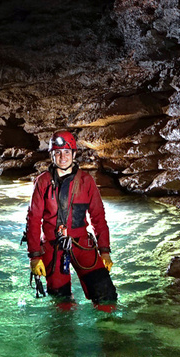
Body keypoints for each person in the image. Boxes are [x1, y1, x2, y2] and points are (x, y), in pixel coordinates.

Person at [25, 130, 118, 306]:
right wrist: (35, 256)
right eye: (57, 153)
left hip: (81, 244)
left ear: (74, 154)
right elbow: (34, 220)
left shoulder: (86, 181)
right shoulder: (43, 182)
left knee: (106, 296)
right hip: (54, 247)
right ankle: (65, 331)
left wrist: (104, 251)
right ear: (52, 155)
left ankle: (109, 330)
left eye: (67, 152)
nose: (63, 157)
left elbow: (98, 217)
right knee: (61, 301)